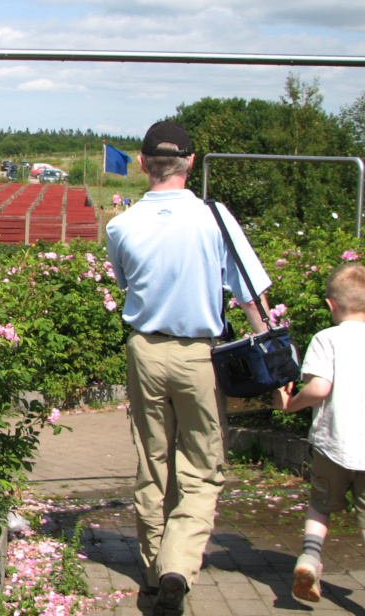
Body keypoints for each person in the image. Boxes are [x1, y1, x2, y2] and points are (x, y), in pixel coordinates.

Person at [105, 121, 272, 616]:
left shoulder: (122, 225)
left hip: (144, 350)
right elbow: (250, 296)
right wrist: (272, 356)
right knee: (202, 466)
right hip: (200, 355)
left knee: (152, 461)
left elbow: (124, 280)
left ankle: (154, 574)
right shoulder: (215, 219)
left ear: (142, 163)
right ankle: (178, 566)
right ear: (191, 163)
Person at [272, 263, 365, 603]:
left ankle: (310, 559)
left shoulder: (327, 339)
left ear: (331, 305)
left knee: (320, 505)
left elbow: (321, 388)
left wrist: (290, 403)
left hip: (333, 445)